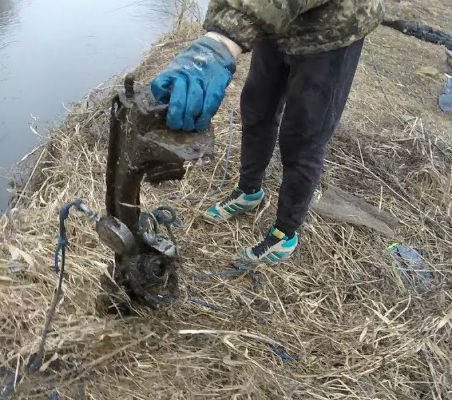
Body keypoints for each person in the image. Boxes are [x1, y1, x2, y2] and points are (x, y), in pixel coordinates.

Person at [151, 0, 384, 265]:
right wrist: (215, 35)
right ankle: (249, 191)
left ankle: (285, 233)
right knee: (257, 109)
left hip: (333, 28)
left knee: (303, 137)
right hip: (276, 21)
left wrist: (225, 38)